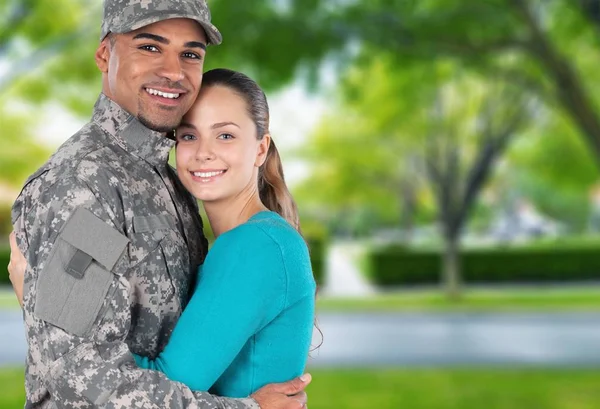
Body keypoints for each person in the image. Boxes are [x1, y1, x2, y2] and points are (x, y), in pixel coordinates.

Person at [8, 1, 310, 408]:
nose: (173, 71)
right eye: (149, 47)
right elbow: (81, 374)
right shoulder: (89, 185)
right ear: (104, 54)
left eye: (190, 53)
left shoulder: (169, 179)